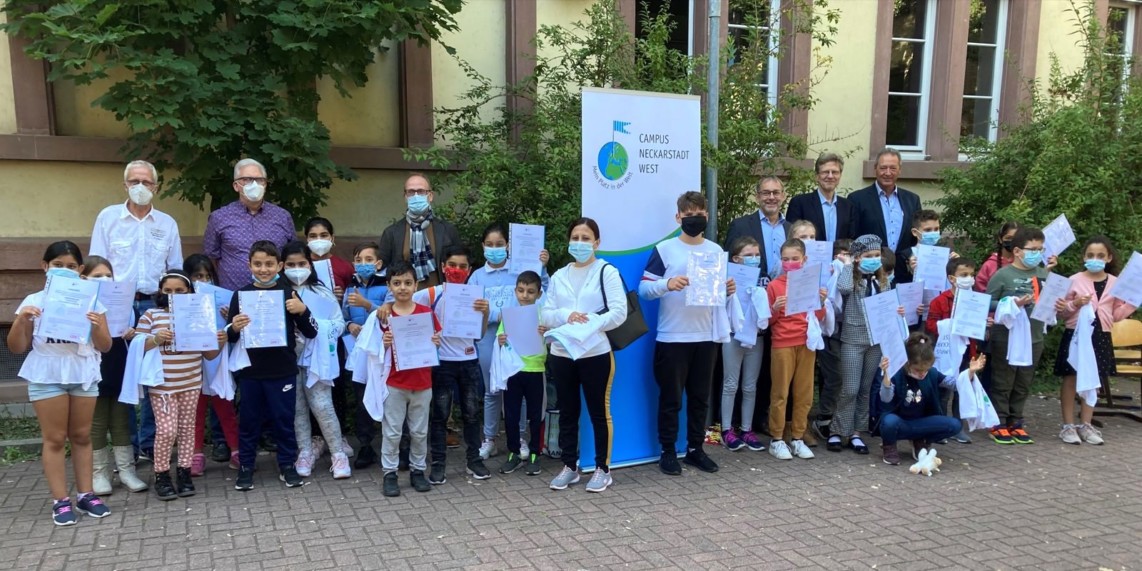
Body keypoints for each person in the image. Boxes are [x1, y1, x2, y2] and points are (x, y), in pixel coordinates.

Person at [7, 241, 112, 525]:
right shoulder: (34, 301)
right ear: (45, 267)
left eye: (69, 266)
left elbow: (105, 345)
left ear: (79, 270)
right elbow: (16, 347)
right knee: (54, 439)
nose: (63, 270)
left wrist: (95, 325)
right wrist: (21, 322)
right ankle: (60, 501)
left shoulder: (93, 301)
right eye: (57, 265)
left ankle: (86, 494)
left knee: (82, 435)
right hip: (47, 374)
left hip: (83, 373)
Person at [89, 159, 184, 467]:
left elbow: (177, 270)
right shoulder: (107, 218)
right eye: (134, 181)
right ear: (125, 185)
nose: (140, 187)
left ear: (156, 187)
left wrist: (174, 307)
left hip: (155, 303)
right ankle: (125, 446)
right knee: (123, 373)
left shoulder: (167, 223)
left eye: (146, 182)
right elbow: (95, 265)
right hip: (117, 304)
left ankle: (149, 443)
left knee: (157, 375)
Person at [640, 191, 735, 476]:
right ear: (678, 217)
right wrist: (668, 284)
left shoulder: (716, 251)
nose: (694, 218)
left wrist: (728, 291)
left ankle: (695, 449)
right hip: (672, 337)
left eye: (700, 213)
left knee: (700, 398)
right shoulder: (665, 249)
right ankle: (667, 451)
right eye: (688, 213)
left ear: (707, 216)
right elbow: (644, 289)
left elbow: (720, 297)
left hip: (705, 336)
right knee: (671, 398)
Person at [383, 245, 490, 484]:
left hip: (469, 361)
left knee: (472, 415)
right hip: (442, 364)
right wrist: (384, 307)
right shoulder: (431, 294)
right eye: (452, 265)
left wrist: (485, 313)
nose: (457, 270)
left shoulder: (476, 296)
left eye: (462, 266)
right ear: (443, 267)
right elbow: (402, 300)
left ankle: (474, 460)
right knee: (440, 416)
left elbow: (479, 335)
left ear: (470, 270)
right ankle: (438, 464)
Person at [541, 217, 627, 492]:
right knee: (567, 411)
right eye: (575, 238)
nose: (580, 243)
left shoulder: (606, 272)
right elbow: (546, 313)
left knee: (598, 413)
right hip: (562, 352)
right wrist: (568, 316)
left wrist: (590, 322)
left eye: (586, 238)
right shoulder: (558, 275)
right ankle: (570, 466)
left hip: (595, 352)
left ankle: (603, 468)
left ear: (597, 243)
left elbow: (618, 312)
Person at [227, 240, 318, 490]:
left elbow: (311, 332)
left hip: (282, 371)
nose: (263, 269)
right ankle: (246, 466)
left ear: (279, 265)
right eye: (258, 264)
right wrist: (233, 327)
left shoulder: (289, 293)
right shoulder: (241, 295)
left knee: (283, 419)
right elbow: (231, 336)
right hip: (251, 372)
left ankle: (287, 464)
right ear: (250, 265)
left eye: (269, 264)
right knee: (248, 420)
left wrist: (302, 310)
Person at [135, 271, 226, 500]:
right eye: (168, 291)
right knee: (166, 431)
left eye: (179, 291)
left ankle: (184, 472)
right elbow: (137, 346)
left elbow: (209, 354)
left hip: (190, 382)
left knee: (186, 429)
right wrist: (156, 339)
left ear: (190, 293)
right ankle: (161, 474)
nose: (173, 295)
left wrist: (220, 342)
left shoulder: (198, 315)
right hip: (162, 385)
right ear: (160, 291)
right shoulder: (151, 315)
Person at [469, 222, 549, 461]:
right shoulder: (476, 277)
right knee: (492, 391)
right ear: (483, 247)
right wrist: (496, 315)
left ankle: (521, 438)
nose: (495, 249)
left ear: (509, 246)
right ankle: (489, 439)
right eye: (490, 245)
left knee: (520, 391)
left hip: (519, 340)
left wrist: (542, 267)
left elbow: (544, 292)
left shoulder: (519, 270)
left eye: (500, 245)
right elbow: (471, 309)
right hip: (488, 340)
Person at [723, 176, 791, 434]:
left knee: (767, 372)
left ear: (783, 195)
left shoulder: (791, 227)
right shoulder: (741, 225)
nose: (771, 197)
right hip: (746, 311)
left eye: (776, 192)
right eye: (765, 193)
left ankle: (758, 421)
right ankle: (732, 425)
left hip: (781, 307)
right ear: (757, 196)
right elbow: (731, 265)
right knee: (738, 377)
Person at [280, 242, 351, 480]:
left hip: (317, 360)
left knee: (322, 406)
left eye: (301, 264)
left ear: (310, 265)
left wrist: (316, 325)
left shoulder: (322, 292)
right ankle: (305, 452)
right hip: (288, 360)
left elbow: (339, 324)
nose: (297, 269)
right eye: (291, 265)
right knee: (297, 408)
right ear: (282, 266)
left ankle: (338, 454)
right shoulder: (276, 292)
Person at [1056, 236, 1136, 445]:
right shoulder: (1074, 280)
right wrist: (1075, 304)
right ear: (1084, 257)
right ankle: (1068, 425)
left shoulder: (1115, 283)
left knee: (1094, 379)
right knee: (1071, 377)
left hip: (1101, 334)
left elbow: (1117, 314)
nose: (1095, 259)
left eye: (1100, 256)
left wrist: (1133, 303)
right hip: (1076, 334)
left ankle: (1086, 424)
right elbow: (1061, 313)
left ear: (1109, 258)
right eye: (1090, 255)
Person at [985, 227, 1059, 445]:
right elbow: (985, 303)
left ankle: (1016, 421)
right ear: (1017, 251)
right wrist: (1012, 303)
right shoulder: (1003, 275)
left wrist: (1060, 304)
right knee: (1003, 380)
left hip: (1034, 336)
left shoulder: (1044, 275)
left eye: (1040, 249)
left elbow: (1052, 305)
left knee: (1023, 381)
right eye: (1032, 249)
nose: (1037, 253)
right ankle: (998, 421)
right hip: (1006, 337)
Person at [83, 257, 148, 495]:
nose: (104, 280)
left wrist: (133, 332)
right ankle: (98, 473)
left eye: (107, 275)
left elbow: (137, 331)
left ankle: (127, 471)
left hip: (119, 362)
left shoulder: (124, 301)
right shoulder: (81, 303)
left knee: (121, 420)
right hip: (93, 365)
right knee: (97, 422)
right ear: (84, 279)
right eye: (97, 276)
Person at [830, 235, 900, 454]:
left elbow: (887, 305)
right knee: (849, 388)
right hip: (853, 337)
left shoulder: (883, 280)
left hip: (875, 340)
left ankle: (856, 432)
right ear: (858, 257)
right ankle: (837, 430)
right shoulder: (852, 277)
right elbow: (842, 288)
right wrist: (850, 265)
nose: (874, 259)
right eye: (868, 256)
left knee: (864, 389)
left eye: (877, 255)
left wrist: (896, 311)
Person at [379, 261, 441, 497]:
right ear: (389, 286)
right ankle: (390, 473)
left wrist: (436, 342)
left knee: (419, 431)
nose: (402, 288)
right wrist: (382, 344)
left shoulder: (426, 313)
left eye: (407, 283)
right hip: (395, 382)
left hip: (422, 382)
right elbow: (372, 349)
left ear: (416, 285)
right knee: (392, 431)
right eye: (397, 283)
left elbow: (436, 341)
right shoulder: (384, 315)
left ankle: (418, 471)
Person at [876, 333, 986, 466]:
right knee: (889, 422)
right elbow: (885, 398)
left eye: (925, 370)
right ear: (907, 363)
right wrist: (887, 374)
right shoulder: (898, 373)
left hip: (921, 422)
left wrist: (970, 373)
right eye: (917, 370)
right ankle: (889, 445)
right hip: (900, 422)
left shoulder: (932, 373)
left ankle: (920, 441)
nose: (922, 373)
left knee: (954, 425)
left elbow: (955, 385)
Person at [765, 239, 828, 460]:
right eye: (785, 259)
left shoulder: (811, 283)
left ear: (804, 260)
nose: (790, 263)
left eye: (794, 259)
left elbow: (819, 318)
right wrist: (774, 309)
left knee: (804, 393)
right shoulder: (774, 286)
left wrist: (821, 301)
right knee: (780, 393)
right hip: (782, 343)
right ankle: (776, 438)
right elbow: (768, 322)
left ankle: (798, 438)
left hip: (806, 343)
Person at [183, 254, 241, 471]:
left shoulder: (222, 299)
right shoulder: (180, 304)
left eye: (208, 276)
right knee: (194, 412)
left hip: (217, 362)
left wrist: (229, 318)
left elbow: (230, 333)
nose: (204, 281)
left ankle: (236, 450)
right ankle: (195, 454)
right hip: (192, 365)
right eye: (198, 276)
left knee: (225, 408)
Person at [203, 158, 297, 291]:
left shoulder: (282, 217)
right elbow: (211, 258)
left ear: (265, 184)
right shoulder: (219, 218)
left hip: (275, 297)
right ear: (236, 186)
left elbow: (293, 255)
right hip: (233, 296)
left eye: (260, 180)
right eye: (247, 179)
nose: (254, 184)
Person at [925, 257, 986, 444]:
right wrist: (952, 325)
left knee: (962, 388)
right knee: (944, 389)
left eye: (971, 275)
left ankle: (957, 426)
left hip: (969, 350)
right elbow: (930, 325)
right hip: (946, 353)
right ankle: (942, 426)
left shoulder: (976, 300)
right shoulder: (939, 301)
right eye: (964, 275)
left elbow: (979, 325)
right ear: (952, 278)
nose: (969, 278)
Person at [342, 242, 390, 468]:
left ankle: (396, 445)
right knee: (362, 400)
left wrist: (367, 304)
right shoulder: (350, 288)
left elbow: (389, 312)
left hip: (385, 351)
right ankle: (366, 446)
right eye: (359, 260)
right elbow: (341, 316)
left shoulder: (387, 286)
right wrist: (350, 324)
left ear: (378, 263)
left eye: (369, 260)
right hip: (359, 353)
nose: (363, 264)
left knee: (390, 397)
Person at [495, 271, 547, 476]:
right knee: (511, 415)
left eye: (530, 291)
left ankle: (535, 454)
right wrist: (500, 339)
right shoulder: (510, 314)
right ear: (515, 290)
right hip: (513, 371)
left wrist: (546, 331)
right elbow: (501, 336)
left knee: (536, 415)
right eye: (521, 290)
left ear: (539, 293)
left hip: (536, 370)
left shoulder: (543, 314)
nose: (525, 295)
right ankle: (514, 453)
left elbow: (552, 339)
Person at [720, 237, 767, 452]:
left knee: (750, 386)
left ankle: (747, 429)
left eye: (757, 255)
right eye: (749, 255)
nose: (754, 259)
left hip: (756, 337)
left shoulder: (763, 280)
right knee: (730, 384)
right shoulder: (727, 279)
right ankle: (727, 429)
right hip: (732, 335)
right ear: (736, 259)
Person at [848, 148, 923, 284]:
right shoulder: (857, 199)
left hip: (904, 273)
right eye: (883, 168)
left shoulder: (912, 200)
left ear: (900, 170)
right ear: (875, 169)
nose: (888, 173)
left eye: (893, 168)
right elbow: (854, 237)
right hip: (870, 275)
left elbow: (916, 238)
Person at [377, 173, 462, 289]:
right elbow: (382, 270)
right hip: (405, 300)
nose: (416, 196)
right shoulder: (391, 233)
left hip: (439, 298)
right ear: (406, 197)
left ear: (430, 196)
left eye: (421, 191)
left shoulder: (447, 230)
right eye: (411, 192)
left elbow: (460, 265)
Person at [811, 239, 853, 441]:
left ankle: (839, 417)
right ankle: (824, 417)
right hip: (829, 331)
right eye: (841, 254)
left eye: (849, 255)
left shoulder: (856, 274)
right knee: (834, 376)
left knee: (846, 377)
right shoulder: (827, 273)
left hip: (850, 330)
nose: (844, 259)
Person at [785, 152, 855, 242]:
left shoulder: (848, 206)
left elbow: (851, 239)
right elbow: (792, 240)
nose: (830, 176)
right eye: (825, 172)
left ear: (840, 176)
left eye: (834, 172)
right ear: (817, 176)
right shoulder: (799, 203)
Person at [975, 221, 1021, 293]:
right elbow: (981, 292)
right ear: (1000, 239)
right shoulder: (989, 265)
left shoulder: (1024, 262)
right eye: (1009, 238)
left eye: (1016, 238)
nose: (1012, 241)